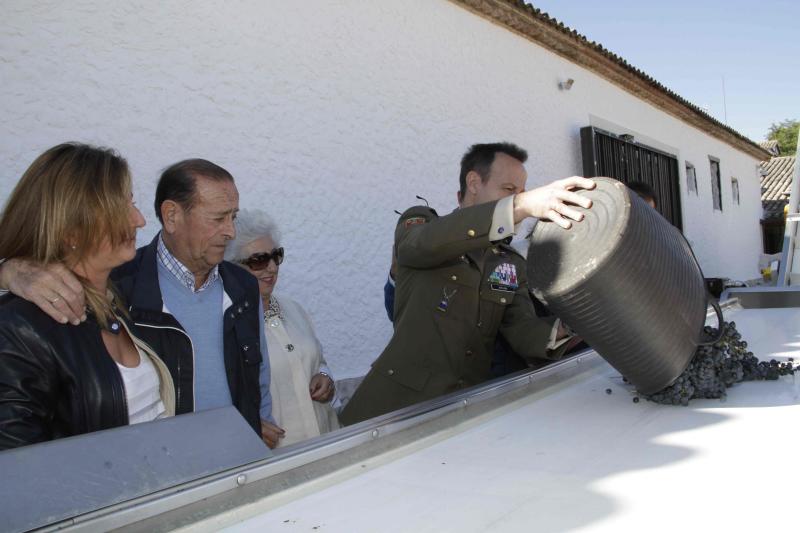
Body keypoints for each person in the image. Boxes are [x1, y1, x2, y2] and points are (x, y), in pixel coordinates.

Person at [0, 159, 283, 447]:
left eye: (232, 217)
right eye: (217, 218)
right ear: (172, 216)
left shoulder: (111, 304)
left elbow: (256, 379)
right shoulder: (121, 289)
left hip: (204, 470)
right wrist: (9, 270)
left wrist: (252, 427)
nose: (139, 219)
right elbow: (20, 466)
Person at [341, 142, 594, 425]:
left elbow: (523, 330)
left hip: (464, 414)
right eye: (509, 190)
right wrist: (521, 206)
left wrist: (575, 323)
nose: (520, 201)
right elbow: (419, 246)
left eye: (522, 193)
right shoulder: (421, 223)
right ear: (474, 182)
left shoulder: (509, 263)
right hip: (393, 415)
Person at [0, 143, 175, 450]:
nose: (139, 220)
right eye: (121, 207)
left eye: (131, 203)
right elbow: (18, 470)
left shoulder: (114, 299)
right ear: (71, 230)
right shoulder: (20, 328)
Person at [226, 210, 340, 447]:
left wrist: (325, 377)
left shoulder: (293, 308)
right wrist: (249, 425)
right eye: (258, 260)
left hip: (328, 442)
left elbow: (318, 360)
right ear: (232, 267)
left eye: (275, 256)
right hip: (280, 458)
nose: (271, 268)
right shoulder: (228, 325)